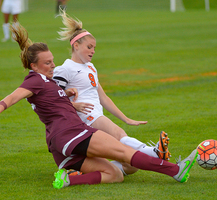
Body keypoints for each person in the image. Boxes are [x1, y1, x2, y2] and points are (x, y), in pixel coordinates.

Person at [0, 22, 198, 189]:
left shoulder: (47, 82)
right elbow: (13, 96)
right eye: (47, 63)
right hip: (72, 132)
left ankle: (68, 180)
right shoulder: (34, 80)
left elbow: (49, 101)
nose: (53, 65)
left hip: (61, 146)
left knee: (117, 174)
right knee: (124, 151)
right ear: (33, 66)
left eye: (52, 60)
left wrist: (67, 96)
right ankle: (175, 170)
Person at [53, 11, 171, 175]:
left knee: (131, 166)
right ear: (76, 45)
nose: (93, 51)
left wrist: (126, 118)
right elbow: (52, 97)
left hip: (95, 114)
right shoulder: (65, 68)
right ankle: (154, 152)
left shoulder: (91, 68)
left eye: (94, 47)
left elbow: (103, 97)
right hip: (84, 117)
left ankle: (91, 172)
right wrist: (73, 105)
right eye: (89, 47)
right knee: (118, 134)